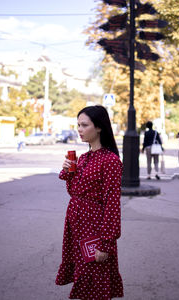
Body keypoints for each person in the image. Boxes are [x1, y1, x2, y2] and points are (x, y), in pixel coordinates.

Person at [55, 105, 124, 299]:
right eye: (78, 125)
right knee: (83, 279)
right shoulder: (83, 158)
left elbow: (112, 204)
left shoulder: (110, 161)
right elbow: (74, 192)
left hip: (94, 229)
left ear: (99, 127)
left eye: (84, 125)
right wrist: (69, 170)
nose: (79, 129)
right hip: (76, 226)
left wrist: (105, 243)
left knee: (96, 280)